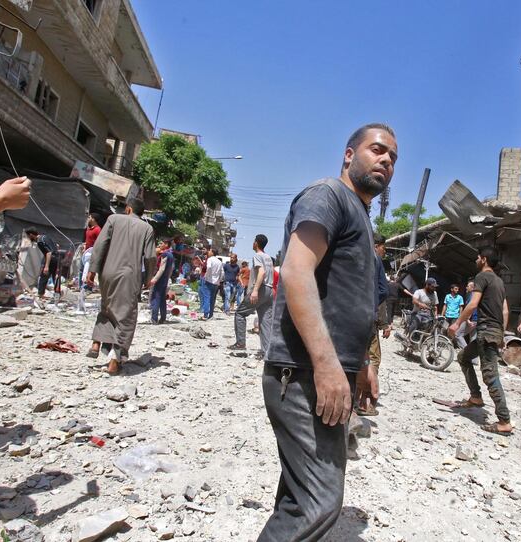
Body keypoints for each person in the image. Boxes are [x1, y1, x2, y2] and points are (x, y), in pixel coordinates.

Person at [258, 123, 392, 540]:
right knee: (319, 501)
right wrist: (327, 365)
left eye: (393, 157)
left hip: (329, 373)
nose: (386, 160)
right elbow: (297, 273)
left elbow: (358, 301)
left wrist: (365, 364)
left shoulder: (362, 219)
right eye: (377, 150)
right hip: (301, 373)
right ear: (349, 155)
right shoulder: (327, 195)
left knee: (300, 495)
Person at [86, 198, 155, 374]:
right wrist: (148, 277)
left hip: (107, 273)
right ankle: (115, 360)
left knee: (107, 307)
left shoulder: (113, 219)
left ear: (129, 209)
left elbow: (100, 245)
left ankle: (96, 343)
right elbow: (149, 257)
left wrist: (92, 270)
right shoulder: (146, 228)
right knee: (126, 316)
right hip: (129, 276)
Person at [448, 246, 512, 435]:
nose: (476, 260)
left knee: (490, 375)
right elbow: (505, 310)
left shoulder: (482, 277)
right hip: (494, 331)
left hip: (486, 331)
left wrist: (457, 324)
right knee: (463, 357)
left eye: (477, 257)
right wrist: (501, 333)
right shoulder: (499, 282)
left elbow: (473, 304)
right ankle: (475, 397)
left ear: (483, 259)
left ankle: (504, 420)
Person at [229, 234, 274, 355]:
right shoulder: (268, 257)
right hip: (269, 290)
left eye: (254, 241)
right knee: (265, 321)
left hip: (261, 289)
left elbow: (262, 273)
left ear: (256, 243)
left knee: (240, 313)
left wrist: (255, 291)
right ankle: (267, 351)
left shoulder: (257, 256)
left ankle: (240, 344)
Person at [360, 233, 390, 416]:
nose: (383, 251)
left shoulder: (351, 253)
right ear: (377, 245)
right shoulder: (376, 260)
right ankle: (366, 402)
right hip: (368, 318)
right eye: (383, 248)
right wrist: (371, 303)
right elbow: (383, 290)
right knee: (372, 359)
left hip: (349, 317)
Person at [25, 227, 61, 302]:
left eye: (28, 236)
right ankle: (57, 295)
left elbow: (48, 252)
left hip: (51, 259)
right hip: (57, 258)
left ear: (31, 234)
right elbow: (56, 245)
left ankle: (41, 294)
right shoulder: (45, 237)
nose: (28, 238)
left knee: (44, 276)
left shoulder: (40, 241)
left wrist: (46, 266)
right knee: (56, 277)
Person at [149, 239, 174, 324]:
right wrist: (168, 278)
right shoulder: (171, 255)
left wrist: (154, 279)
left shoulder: (165, 254)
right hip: (165, 279)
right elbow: (170, 269)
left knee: (156, 297)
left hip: (160, 279)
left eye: (161, 243)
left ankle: (154, 318)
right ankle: (163, 318)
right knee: (162, 299)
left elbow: (161, 269)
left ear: (166, 244)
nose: (160, 244)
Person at [79, 213, 102, 290]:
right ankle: (81, 286)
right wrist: (84, 245)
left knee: (89, 271)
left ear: (93, 219)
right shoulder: (88, 229)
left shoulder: (97, 229)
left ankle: (88, 287)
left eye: (89, 217)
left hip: (92, 253)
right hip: (86, 253)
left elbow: (100, 242)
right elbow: (87, 240)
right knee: (82, 269)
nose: (88, 219)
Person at [200, 248, 222, 320]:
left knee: (206, 297)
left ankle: (205, 315)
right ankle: (211, 314)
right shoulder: (219, 261)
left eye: (210, 251)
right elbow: (222, 273)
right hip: (216, 283)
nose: (208, 252)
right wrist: (219, 280)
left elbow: (208, 267)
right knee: (212, 299)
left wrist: (206, 276)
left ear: (212, 252)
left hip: (208, 281)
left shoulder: (210, 259)